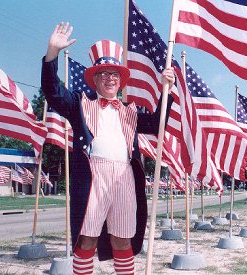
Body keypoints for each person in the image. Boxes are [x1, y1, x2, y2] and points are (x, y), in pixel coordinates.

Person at [41, 22, 175, 275]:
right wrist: (52, 53)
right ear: (94, 79)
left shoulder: (131, 112)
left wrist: (167, 89)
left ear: (121, 80)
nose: (109, 78)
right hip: (93, 178)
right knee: (87, 239)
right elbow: (52, 91)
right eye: (103, 73)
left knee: (122, 239)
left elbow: (158, 123)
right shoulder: (79, 104)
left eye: (114, 74)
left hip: (124, 177)